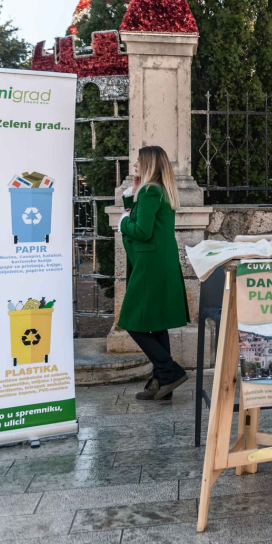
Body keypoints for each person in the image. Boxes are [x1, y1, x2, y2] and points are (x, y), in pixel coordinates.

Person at [119, 145, 190, 401]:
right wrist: (132, 192)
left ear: (148, 163)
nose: (135, 165)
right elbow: (138, 214)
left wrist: (122, 223)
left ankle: (170, 372)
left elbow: (141, 230)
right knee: (156, 324)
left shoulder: (151, 191)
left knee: (131, 322)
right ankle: (163, 384)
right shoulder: (154, 190)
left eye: (139, 161)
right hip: (158, 263)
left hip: (150, 265)